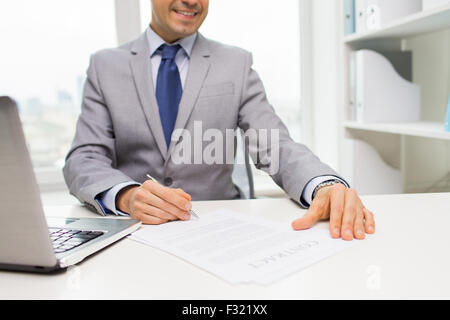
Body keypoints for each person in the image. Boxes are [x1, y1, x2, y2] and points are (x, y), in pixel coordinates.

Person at [63, 0, 375, 241]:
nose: (191, 1)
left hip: (220, 234)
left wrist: (324, 184)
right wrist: (126, 196)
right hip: (136, 232)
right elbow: (85, 158)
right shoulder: (105, 65)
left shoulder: (235, 63)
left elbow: (275, 144)